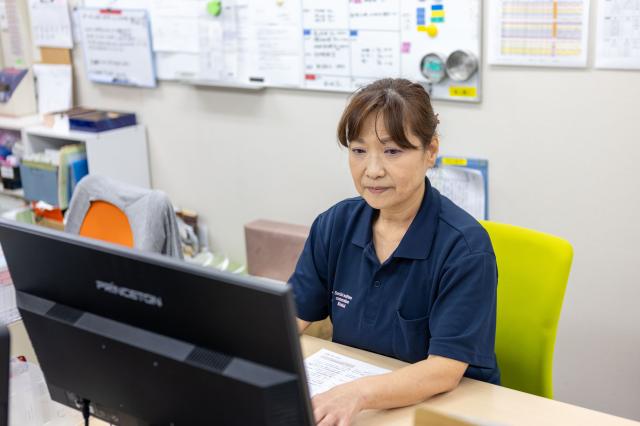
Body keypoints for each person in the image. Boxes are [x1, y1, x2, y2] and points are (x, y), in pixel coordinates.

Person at [289, 78, 499, 426]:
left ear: (430, 151)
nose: (372, 170)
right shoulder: (335, 223)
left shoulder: (464, 248)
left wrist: (357, 394)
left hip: (450, 407)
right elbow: (291, 319)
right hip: (362, 400)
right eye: (358, 151)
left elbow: (444, 370)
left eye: (392, 151)